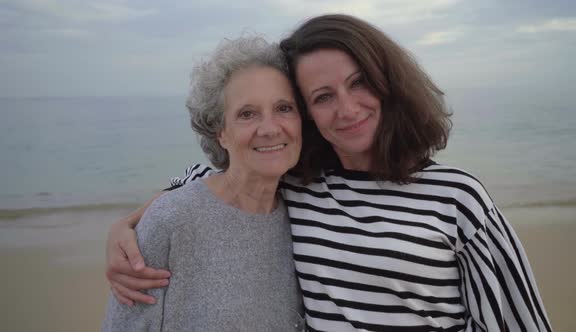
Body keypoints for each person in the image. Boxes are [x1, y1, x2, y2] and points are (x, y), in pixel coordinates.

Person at [105, 14, 552, 332]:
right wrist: (128, 227)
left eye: (359, 82)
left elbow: (521, 322)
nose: (348, 108)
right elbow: (214, 178)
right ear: (308, 114)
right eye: (322, 96)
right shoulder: (302, 184)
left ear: (388, 81)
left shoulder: (458, 197)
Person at [102, 36, 305, 331]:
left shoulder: (304, 213)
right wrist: (126, 224)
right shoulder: (170, 221)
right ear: (220, 132)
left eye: (284, 108)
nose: (270, 128)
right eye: (247, 114)